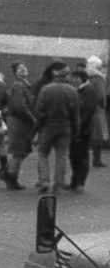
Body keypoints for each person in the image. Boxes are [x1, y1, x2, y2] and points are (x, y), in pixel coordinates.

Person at [33, 59, 79, 193]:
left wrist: (38, 126)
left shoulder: (46, 89)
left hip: (48, 126)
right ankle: (58, 183)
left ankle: (44, 180)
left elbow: (39, 111)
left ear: (54, 75)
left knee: (42, 154)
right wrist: (76, 130)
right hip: (65, 126)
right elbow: (76, 114)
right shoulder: (72, 91)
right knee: (62, 155)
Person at [69, 59, 105, 190]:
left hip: (83, 129)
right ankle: (75, 181)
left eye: (75, 78)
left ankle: (80, 182)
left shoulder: (88, 91)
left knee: (81, 155)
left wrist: (79, 127)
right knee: (74, 155)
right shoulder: (79, 90)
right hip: (77, 128)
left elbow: (87, 111)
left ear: (81, 78)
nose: (73, 81)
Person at [0, 61, 36, 191]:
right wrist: (32, 119)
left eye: (24, 67)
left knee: (22, 151)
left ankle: (8, 174)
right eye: (19, 69)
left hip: (22, 122)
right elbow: (20, 106)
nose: (23, 70)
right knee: (18, 152)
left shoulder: (25, 85)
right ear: (15, 73)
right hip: (18, 122)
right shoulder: (19, 86)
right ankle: (11, 178)